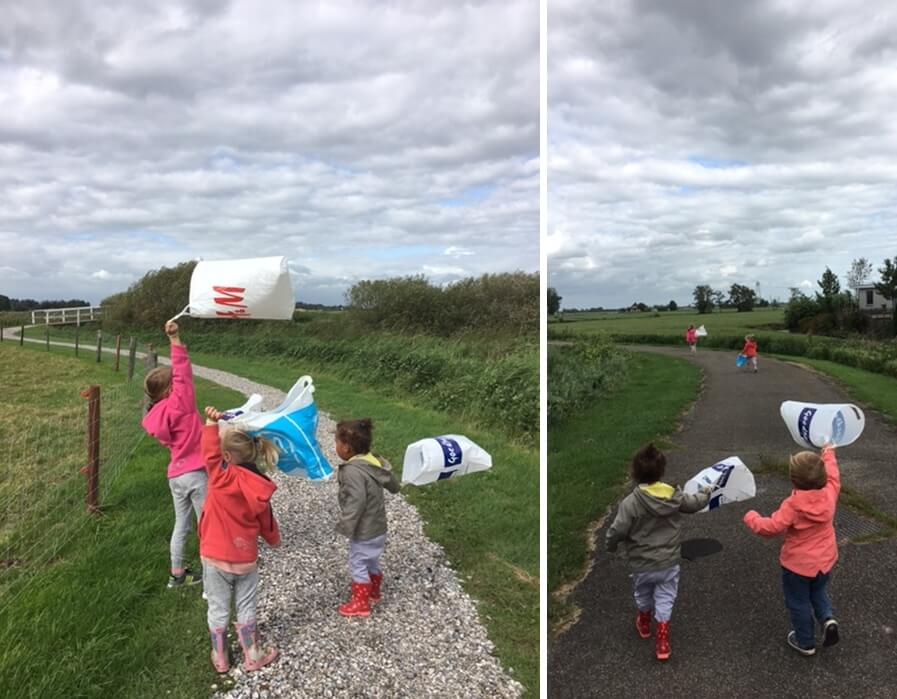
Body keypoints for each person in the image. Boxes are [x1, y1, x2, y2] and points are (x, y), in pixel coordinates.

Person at [605, 443, 712, 661]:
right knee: (665, 596)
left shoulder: (630, 503)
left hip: (641, 563)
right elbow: (694, 504)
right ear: (662, 471)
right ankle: (662, 639)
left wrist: (611, 544)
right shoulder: (673, 495)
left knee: (642, 593)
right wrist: (706, 492)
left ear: (634, 473)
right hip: (668, 562)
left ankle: (644, 622)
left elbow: (618, 530)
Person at [200, 407, 281, 673]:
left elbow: (208, 455)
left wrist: (211, 423)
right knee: (246, 606)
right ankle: (253, 655)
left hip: (214, 556)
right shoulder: (259, 485)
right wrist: (273, 539)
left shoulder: (221, 479)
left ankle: (220, 656)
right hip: (245, 557)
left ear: (226, 456)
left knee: (218, 606)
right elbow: (266, 519)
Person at [743, 445, 840, 656]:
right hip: (825, 560)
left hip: (797, 566)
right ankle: (827, 619)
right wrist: (828, 452)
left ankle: (805, 641)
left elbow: (771, 528)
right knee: (818, 591)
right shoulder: (830, 494)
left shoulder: (794, 505)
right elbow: (834, 475)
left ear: (794, 481)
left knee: (798, 602)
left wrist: (751, 517)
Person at [141, 321, 206, 588]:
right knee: (208, 524)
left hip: (176, 476)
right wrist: (175, 339)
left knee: (182, 525)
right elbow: (183, 372)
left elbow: (178, 377)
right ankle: (215, 573)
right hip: (197, 474)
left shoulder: (156, 415)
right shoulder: (180, 404)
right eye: (176, 384)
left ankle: (177, 575)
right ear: (171, 391)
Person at [334, 418, 400, 617]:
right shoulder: (374, 462)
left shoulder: (353, 471)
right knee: (371, 560)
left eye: (336, 443)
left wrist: (346, 524)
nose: (335, 447)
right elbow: (393, 484)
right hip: (378, 527)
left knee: (357, 563)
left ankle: (361, 603)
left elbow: (357, 500)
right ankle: (373, 592)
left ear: (346, 447)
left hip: (364, 529)